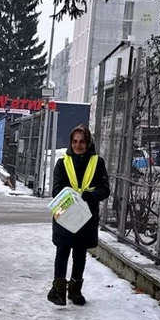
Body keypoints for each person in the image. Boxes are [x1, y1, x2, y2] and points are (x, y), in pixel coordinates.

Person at [48, 125, 110, 306]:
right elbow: (56, 189)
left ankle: (75, 291)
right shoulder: (62, 163)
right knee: (62, 251)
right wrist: (70, 198)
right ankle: (58, 289)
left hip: (87, 214)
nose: (78, 145)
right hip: (64, 213)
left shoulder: (98, 163)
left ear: (88, 142)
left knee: (80, 253)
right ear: (70, 143)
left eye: (82, 141)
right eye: (75, 141)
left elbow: (105, 189)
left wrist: (91, 196)